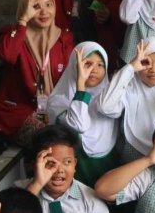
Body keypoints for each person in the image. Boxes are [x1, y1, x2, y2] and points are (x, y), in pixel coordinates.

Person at [0, 0, 75, 145]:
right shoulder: (13, 33)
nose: (44, 11)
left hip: (54, 106)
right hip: (19, 109)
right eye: (36, 6)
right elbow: (7, 55)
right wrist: (23, 20)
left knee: (76, 132)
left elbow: (69, 76)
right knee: (51, 139)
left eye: (49, 4)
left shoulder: (64, 38)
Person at [97, 37, 155, 163]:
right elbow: (105, 107)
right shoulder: (129, 90)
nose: (153, 69)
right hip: (135, 160)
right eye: (145, 62)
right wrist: (130, 68)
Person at [45, 42, 119, 186]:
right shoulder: (58, 100)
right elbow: (80, 125)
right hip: (75, 169)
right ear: (75, 65)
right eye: (87, 63)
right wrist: (80, 84)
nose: (94, 70)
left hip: (109, 166)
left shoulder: (109, 100)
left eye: (100, 65)